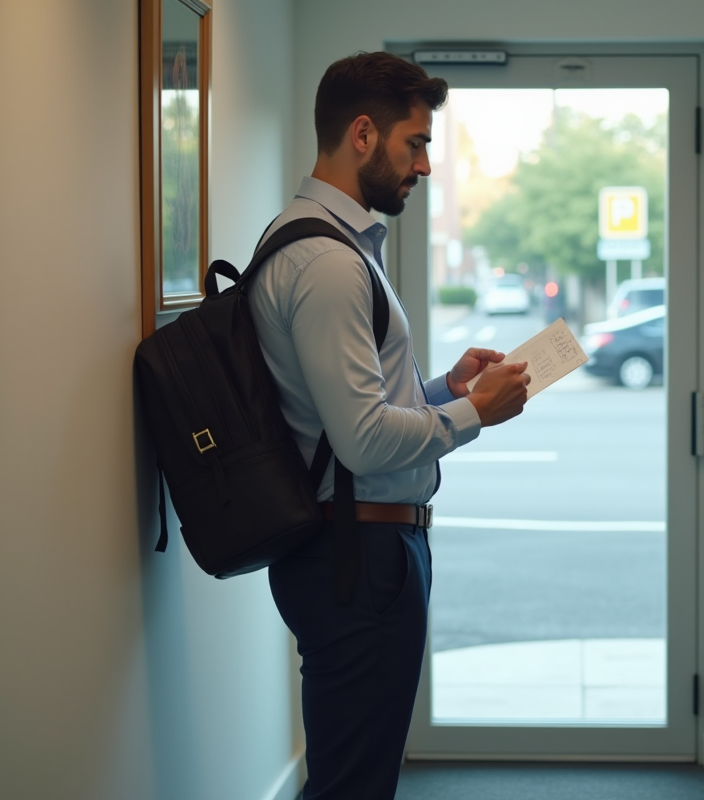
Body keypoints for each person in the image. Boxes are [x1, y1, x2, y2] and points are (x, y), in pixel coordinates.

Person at [247, 51, 530, 799]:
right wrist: (475, 412)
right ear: (364, 134)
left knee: (355, 776)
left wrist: (444, 389)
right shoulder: (328, 263)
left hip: (356, 547)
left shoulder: (318, 243)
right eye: (417, 143)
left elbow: (343, 412)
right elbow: (363, 438)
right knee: (354, 785)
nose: (426, 165)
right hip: (358, 555)